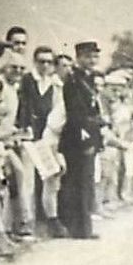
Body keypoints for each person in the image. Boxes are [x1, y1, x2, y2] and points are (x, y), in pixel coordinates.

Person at [15, 46, 68, 238]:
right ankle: (27, 222)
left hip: (47, 137)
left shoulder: (55, 85)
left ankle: (50, 219)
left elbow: (58, 111)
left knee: (51, 178)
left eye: (49, 62)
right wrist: (24, 127)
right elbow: (23, 106)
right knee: (27, 181)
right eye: (41, 61)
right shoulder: (27, 80)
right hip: (29, 135)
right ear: (35, 62)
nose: (45, 65)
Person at [58, 41, 106, 239]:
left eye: (95, 56)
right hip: (78, 137)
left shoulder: (90, 79)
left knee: (86, 181)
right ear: (78, 57)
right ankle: (79, 228)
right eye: (88, 56)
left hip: (90, 133)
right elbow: (75, 113)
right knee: (78, 182)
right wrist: (86, 138)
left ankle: (84, 227)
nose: (92, 60)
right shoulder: (74, 80)